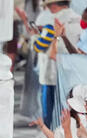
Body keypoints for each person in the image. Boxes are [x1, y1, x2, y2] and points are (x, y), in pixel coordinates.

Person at [35, 0, 82, 129]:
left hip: (50, 74)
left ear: (54, 5)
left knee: (49, 113)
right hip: (71, 75)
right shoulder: (79, 20)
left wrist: (35, 36)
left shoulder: (50, 21)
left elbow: (39, 46)